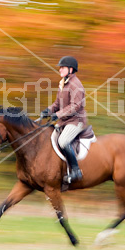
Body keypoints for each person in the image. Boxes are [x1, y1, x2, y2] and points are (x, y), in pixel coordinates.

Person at [41, 56, 87, 184]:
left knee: (63, 141)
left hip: (76, 121)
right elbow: (57, 103)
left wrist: (58, 114)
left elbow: (76, 106)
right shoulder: (63, 83)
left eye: (62, 68)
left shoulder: (75, 84)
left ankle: (76, 171)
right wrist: (48, 110)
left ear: (71, 69)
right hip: (64, 121)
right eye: (60, 68)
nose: (60, 70)